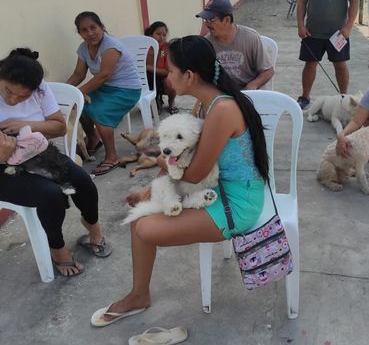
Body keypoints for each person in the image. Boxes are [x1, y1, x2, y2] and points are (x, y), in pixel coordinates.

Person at [91, 35, 269, 326]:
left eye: (171, 71)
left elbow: (193, 172)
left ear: (189, 75)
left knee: (144, 226)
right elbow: (183, 158)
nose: (167, 77)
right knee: (139, 216)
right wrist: (150, 190)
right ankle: (138, 295)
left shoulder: (222, 110)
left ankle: (138, 295)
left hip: (235, 203)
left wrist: (162, 161)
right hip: (215, 186)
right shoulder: (206, 104)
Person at [0, 48, 110, 277]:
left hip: (39, 153)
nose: (12, 99)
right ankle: (57, 248)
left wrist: (24, 125)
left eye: (22, 97)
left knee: (82, 181)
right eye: (8, 91)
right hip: (5, 168)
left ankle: (93, 229)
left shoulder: (39, 88)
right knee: (50, 195)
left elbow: (59, 127)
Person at [66, 11, 141, 176]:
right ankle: (93, 138)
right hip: (105, 88)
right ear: (79, 33)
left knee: (100, 112)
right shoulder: (83, 48)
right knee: (80, 106)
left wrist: (77, 93)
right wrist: (64, 92)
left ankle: (112, 156)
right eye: (84, 30)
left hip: (127, 89)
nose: (90, 33)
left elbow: (104, 76)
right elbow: (78, 74)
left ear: (101, 27)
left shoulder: (110, 46)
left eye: (93, 27)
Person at [296, 0, 360, 110]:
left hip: (338, 33)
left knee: (340, 65)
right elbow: (302, 1)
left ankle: (343, 97)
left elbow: (354, 0)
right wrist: (300, 25)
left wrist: (348, 27)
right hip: (312, 31)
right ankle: (305, 97)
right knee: (310, 65)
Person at [195, 0, 274, 90]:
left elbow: (268, 71)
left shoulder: (250, 37)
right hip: (221, 94)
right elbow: (203, 78)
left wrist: (253, 85)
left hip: (248, 93)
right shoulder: (207, 44)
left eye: (211, 20)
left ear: (227, 20)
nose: (207, 24)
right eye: (205, 20)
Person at [144, 21, 178, 114]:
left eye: (164, 35)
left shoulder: (165, 49)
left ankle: (171, 102)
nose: (161, 37)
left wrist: (148, 67)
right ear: (151, 35)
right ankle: (154, 101)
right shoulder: (144, 48)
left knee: (170, 82)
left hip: (162, 76)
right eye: (158, 34)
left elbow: (166, 71)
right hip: (149, 78)